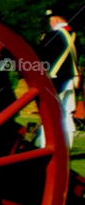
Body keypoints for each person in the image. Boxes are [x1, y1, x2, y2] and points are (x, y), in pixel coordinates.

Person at [38, 11, 78, 148]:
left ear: (55, 19)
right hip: (70, 80)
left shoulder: (51, 36)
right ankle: (67, 149)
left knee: (49, 116)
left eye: (50, 20)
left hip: (55, 81)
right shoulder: (74, 36)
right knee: (67, 115)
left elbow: (40, 58)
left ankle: (46, 147)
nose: (50, 23)